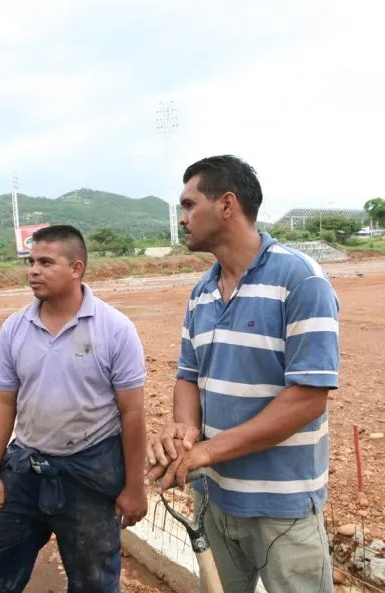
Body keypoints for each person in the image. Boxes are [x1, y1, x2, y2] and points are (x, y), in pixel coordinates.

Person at [145, 155, 339, 593]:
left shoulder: (300, 279)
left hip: (283, 507)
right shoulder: (201, 293)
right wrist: (183, 432)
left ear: (227, 205)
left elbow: (309, 396)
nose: (183, 218)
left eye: (190, 205)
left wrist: (207, 454)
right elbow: (187, 376)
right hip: (213, 499)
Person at [0, 224, 148, 593]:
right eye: (31, 261)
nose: (33, 271)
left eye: (45, 262)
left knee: (94, 580)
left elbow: (132, 414)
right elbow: (3, 401)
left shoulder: (115, 329)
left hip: (90, 473)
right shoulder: (15, 328)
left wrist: (135, 487)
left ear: (76, 269)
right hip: (25, 468)